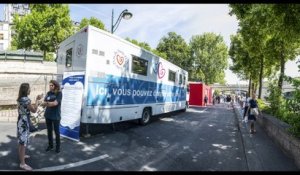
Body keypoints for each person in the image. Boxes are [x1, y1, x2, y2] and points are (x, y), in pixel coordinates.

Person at [17, 83, 42, 171]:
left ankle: (22, 156)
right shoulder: (26, 100)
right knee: (23, 143)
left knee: (21, 140)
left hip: (20, 120)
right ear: (26, 90)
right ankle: (22, 164)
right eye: (29, 89)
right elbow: (34, 110)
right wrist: (37, 100)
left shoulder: (20, 99)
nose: (30, 90)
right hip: (24, 122)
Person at [42, 80, 62, 153]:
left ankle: (58, 147)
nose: (50, 87)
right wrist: (48, 103)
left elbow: (55, 103)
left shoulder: (59, 93)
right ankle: (50, 145)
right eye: (49, 85)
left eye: (52, 85)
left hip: (56, 116)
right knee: (49, 131)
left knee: (57, 132)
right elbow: (43, 103)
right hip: (48, 115)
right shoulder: (48, 93)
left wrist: (47, 103)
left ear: (55, 86)